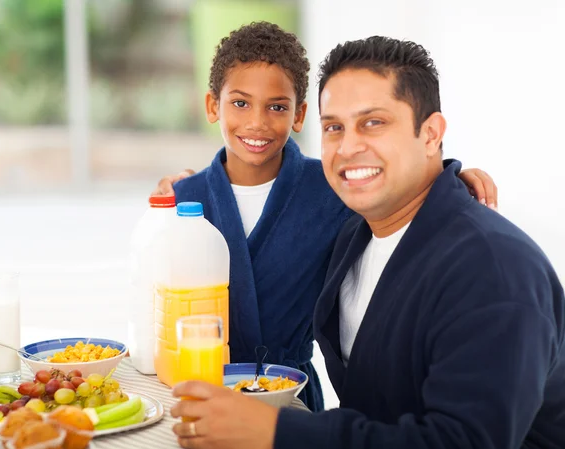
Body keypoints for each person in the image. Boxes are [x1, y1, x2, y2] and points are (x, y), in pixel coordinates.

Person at [169, 36, 565, 449]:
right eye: (335, 127)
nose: (349, 146)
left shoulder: (495, 270)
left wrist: (275, 432)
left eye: (373, 122)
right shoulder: (356, 238)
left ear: (431, 134)